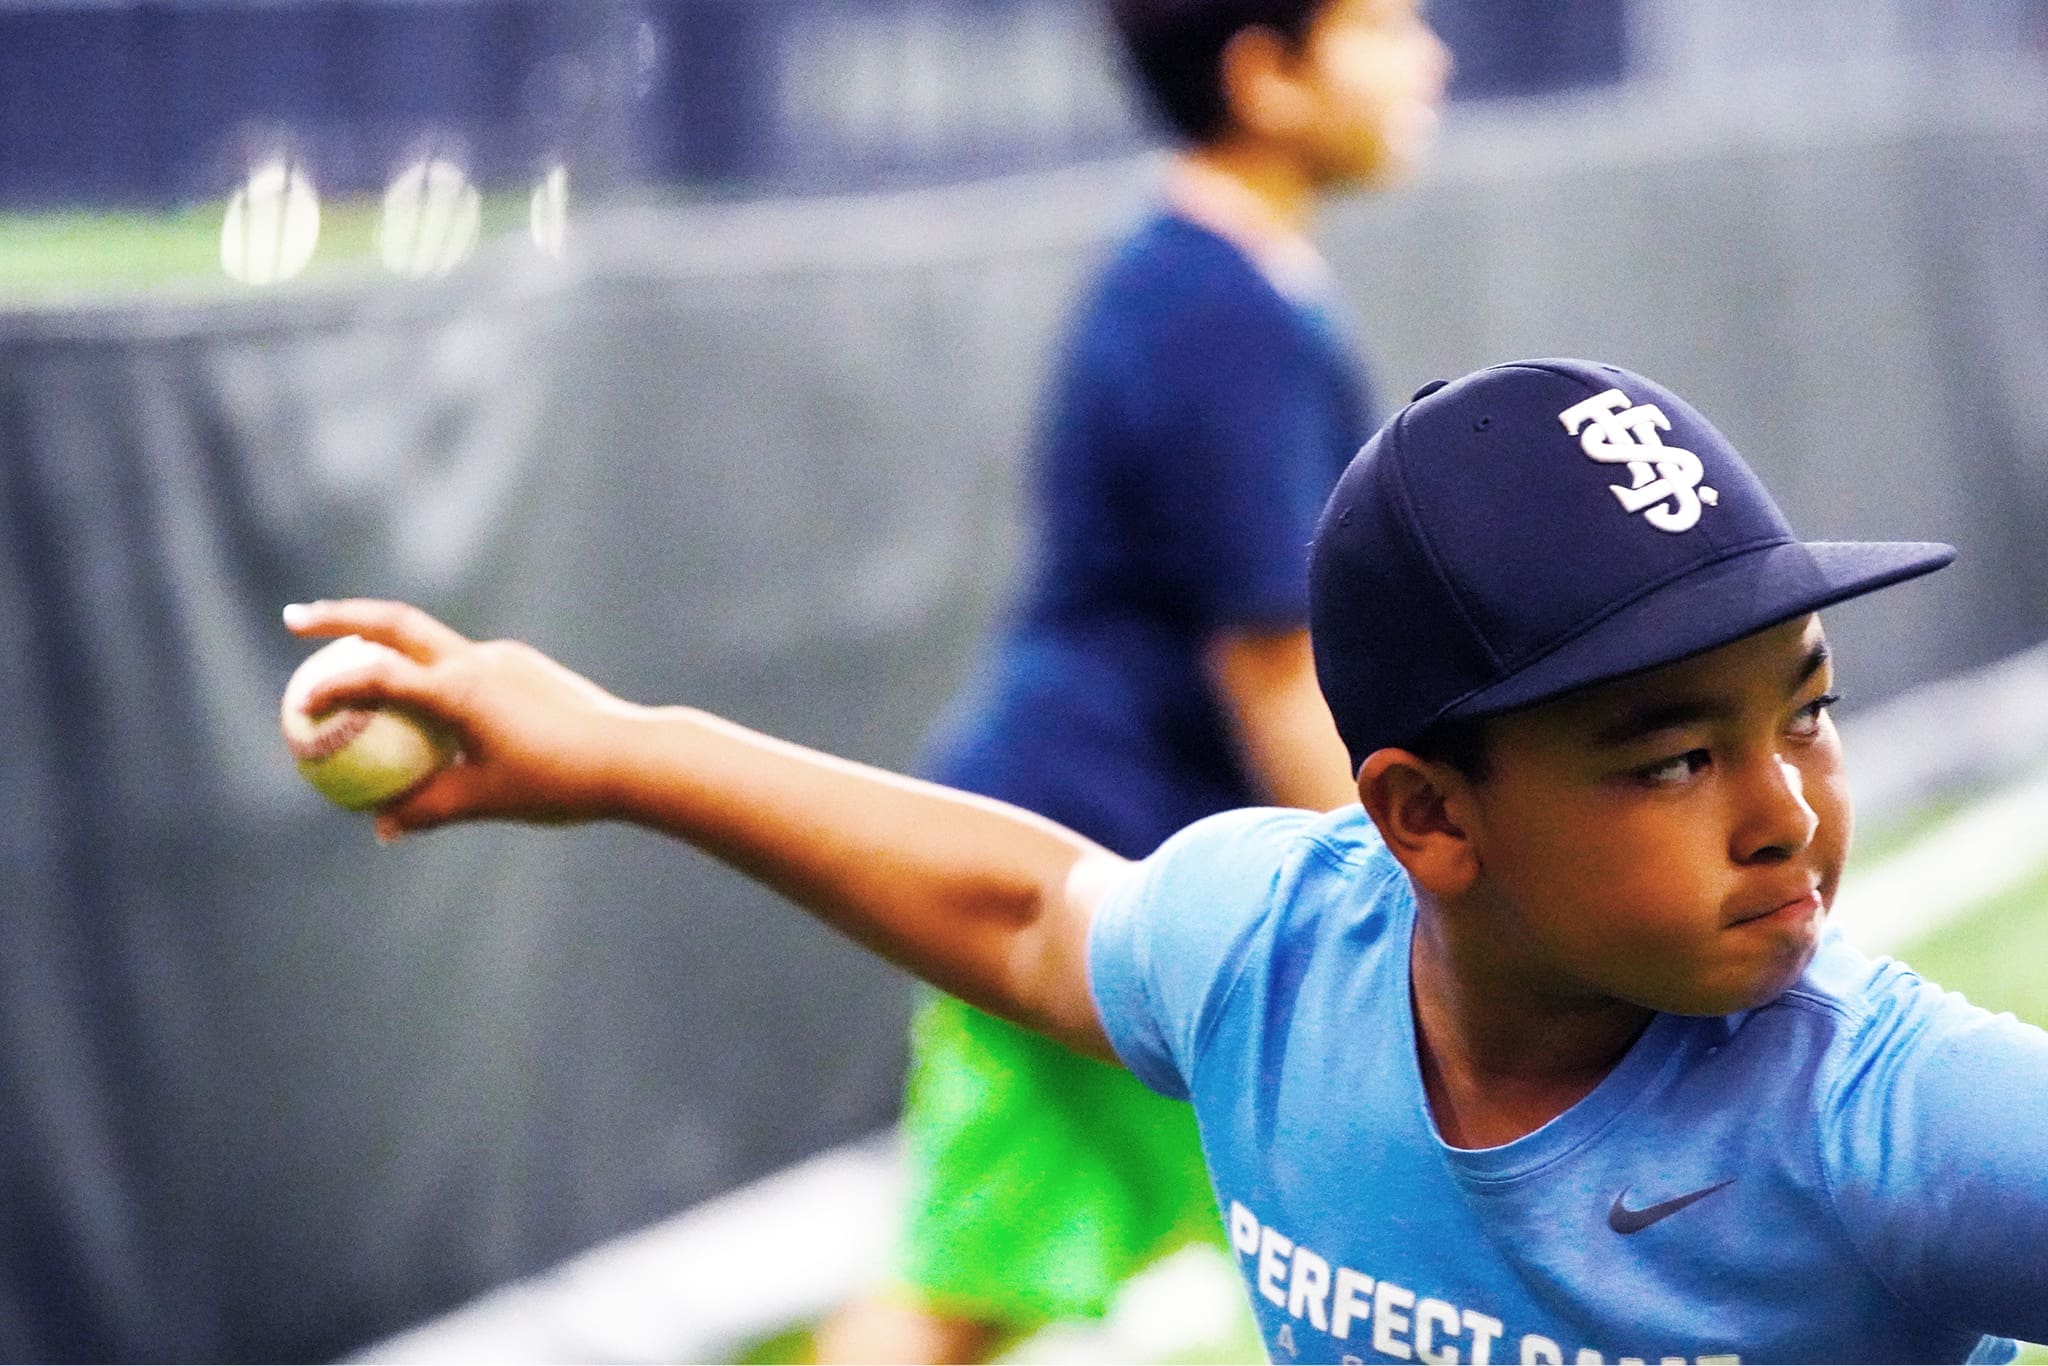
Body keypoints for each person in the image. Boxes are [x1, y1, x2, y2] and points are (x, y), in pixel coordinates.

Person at [283, 358, 2048, 1363]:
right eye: (1675, 756)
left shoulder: (1886, 1117)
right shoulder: (1276, 957)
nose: (1792, 806)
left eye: (1803, 712)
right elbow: (1032, 904)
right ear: (1427, 816)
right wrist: (613, 752)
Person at [822, 0, 1448, 1355]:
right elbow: (1273, 665)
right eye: (1385, 25)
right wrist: (1420, 900)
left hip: (1112, 853)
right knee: (957, 1285)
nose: (1428, 56)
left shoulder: (1231, 283)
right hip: (1081, 863)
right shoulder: (1216, 311)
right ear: (1265, 78)